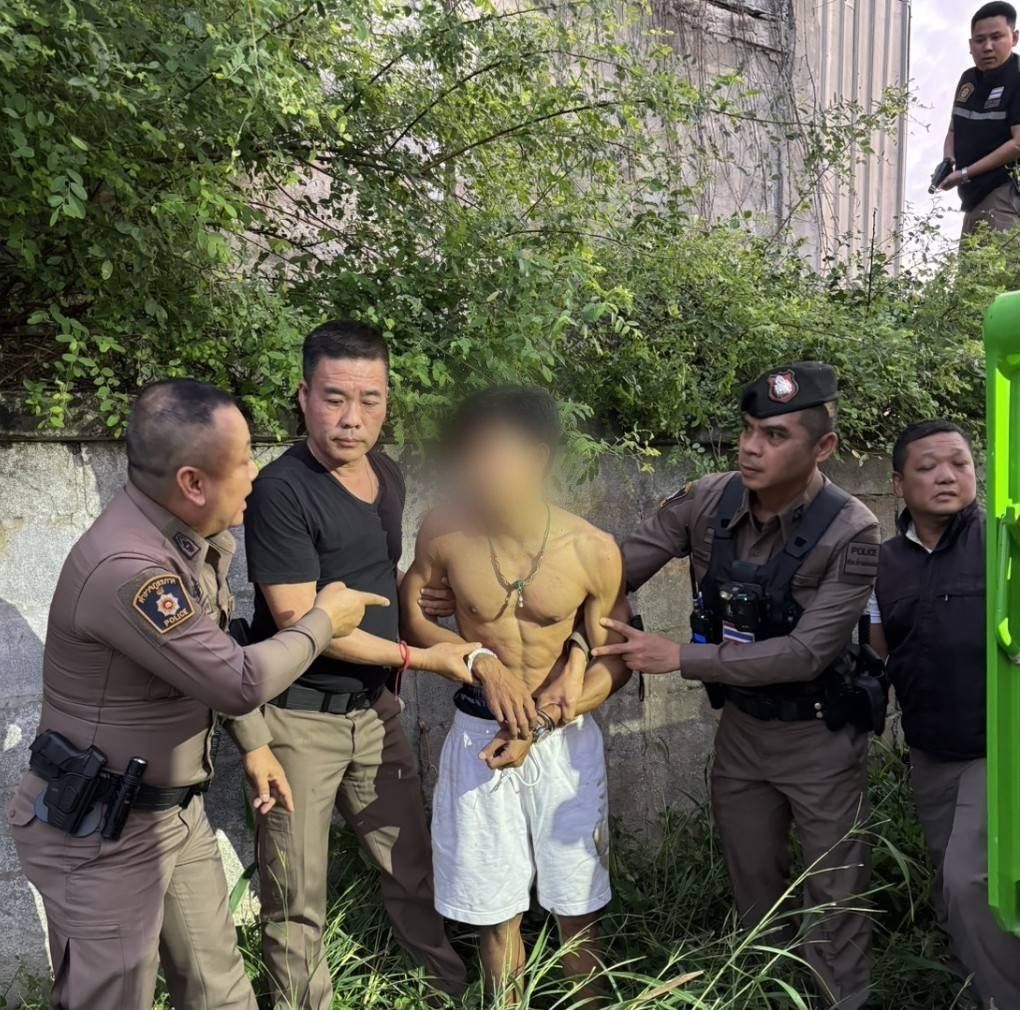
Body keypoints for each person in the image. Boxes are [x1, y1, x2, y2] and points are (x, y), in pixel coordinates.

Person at [6, 379, 384, 1010]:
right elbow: (236, 678)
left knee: (219, 991)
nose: (256, 473)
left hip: (172, 816)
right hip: (103, 833)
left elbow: (207, 655)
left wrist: (255, 743)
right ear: (193, 483)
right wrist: (324, 621)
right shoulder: (131, 569)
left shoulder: (181, 541)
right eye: (243, 461)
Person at [594, 363, 881, 1010]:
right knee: (753, 889)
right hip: (743, 733)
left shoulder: (852, 530)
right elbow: (615, 568)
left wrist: (681, 657)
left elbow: (807, 653)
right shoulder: (708, 499)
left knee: (834, 897)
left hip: (820, 739)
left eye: (775, 436)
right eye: (748, 430)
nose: (751, 448)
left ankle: (842, 1000)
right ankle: (767, 994)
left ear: (823, 447)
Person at [231, 320, 468, 1009]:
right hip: (297, 721)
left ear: (388, 401)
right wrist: (422, 657)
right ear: (304, 396)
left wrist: (423, 596)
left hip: (374, 712)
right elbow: (301, 620)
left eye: (370, 399)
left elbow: (375, 574)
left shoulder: (385, 475)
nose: (352, 418)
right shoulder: (280, 490)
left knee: (412, 869)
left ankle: (445, 993)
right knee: (295, 896)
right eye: (334, 398)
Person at [399, 386, 630, 1005]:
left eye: (498, 454)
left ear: (538, 457)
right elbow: (413, 615)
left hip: (564, 743)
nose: (483, 469)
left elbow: (616, 658)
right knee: (493, 909)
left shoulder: (591, 549)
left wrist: (551, 714)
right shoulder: (445, 530)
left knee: (577, 904)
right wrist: (479, 660)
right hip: (478, 736)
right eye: (472, 454)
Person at [868, 421, 1020, 1010]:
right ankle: (971, 990)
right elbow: (876, 652)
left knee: (969, 881)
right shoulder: (883, 564)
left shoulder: (1003, 544)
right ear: (897, 483)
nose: (947, 476)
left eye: (959, 463)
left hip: (999, 746)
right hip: (931, 751)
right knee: (948, 885)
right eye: (928, 466)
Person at [939, 2, 1020, 236]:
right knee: (971, 261)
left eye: (996, 37)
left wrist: (964, 174)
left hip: (1004, 195)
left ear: (1014, 38)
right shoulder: (968, 79)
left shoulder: (1017, 78)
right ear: (970, 45)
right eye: (980, 40)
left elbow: (1017, 144)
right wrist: (948, 161)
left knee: (997, 260)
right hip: (972, 199)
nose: (987, 47)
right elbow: (953, 130)